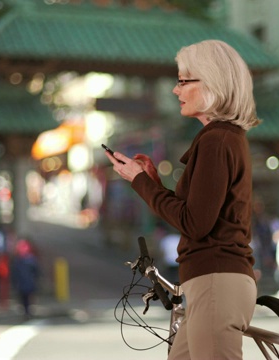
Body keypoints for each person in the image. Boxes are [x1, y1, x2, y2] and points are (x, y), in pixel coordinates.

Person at [105, 39, 259, 360]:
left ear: (212, 82)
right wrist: (150, 183)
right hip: (214, 283)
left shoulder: (217, 140)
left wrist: (139, 181)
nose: (176, 90)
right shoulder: (224, 138)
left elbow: (194, 223)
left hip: (217, 283)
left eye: (182, 80)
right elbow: (197, 213)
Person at [10, 238, 39, 319]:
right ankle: (27, 311)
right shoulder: (27, 259)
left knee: (25, 298)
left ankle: (27, 312)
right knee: (25, 298)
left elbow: (36, 271)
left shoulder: (22, 260)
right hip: (26, 282)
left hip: (25, 282)